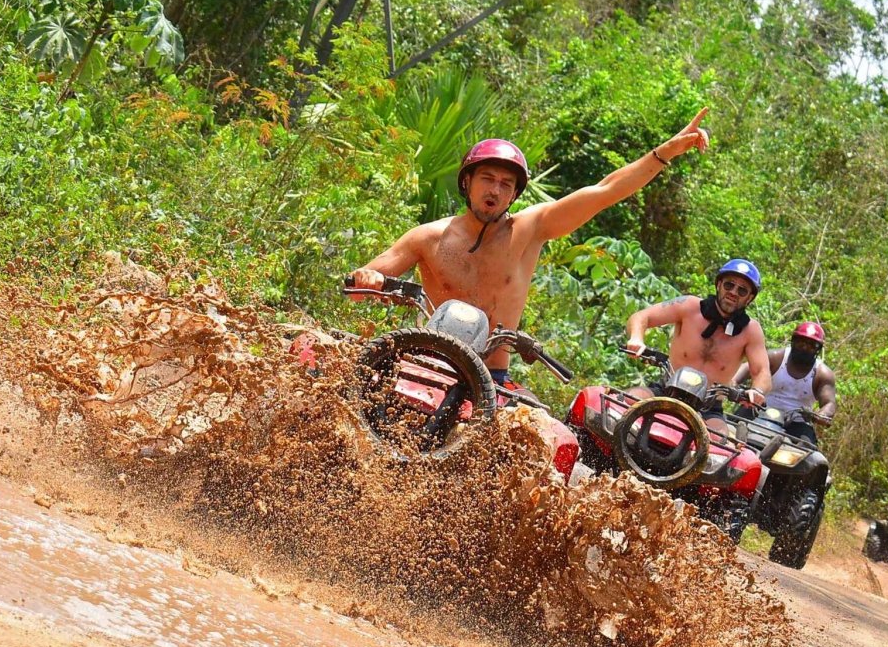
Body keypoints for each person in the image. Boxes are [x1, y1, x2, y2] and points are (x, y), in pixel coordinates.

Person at [348, 111, 711, 386]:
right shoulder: (426, 237)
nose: (495, 190)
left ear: (515, 194)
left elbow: (605, 192)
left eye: (506, 184)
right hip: (425, 357)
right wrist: (369, 279)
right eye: (487, 178)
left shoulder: (530, 229)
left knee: (541, 442)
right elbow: (360, 285)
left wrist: (663, 154)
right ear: (467, 182)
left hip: (491, 375)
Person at [621, 259, 772, 423]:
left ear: (749, 298)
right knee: (625, 403)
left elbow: (762, 372)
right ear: (719, 285)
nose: (733, 292)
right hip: (666, 388)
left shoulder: (751, 331)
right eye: (729, 285)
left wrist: (757, 391)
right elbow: (642, 317)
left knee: (720, 443)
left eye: (742, 290)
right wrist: (636, 338)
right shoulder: (689, 306)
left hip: (708, 408)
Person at [735, 321, 836, 444]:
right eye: (801, 342)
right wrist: (732, 382)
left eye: (811, 345)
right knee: (727, 430)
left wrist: (822, 414)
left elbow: (829, 402)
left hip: (797, 421)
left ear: (818, 349)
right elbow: (746, 368)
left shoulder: (822, 374)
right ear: (793, 341)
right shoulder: (776, 358)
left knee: (809, 455)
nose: (804, 347)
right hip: (759, 408)